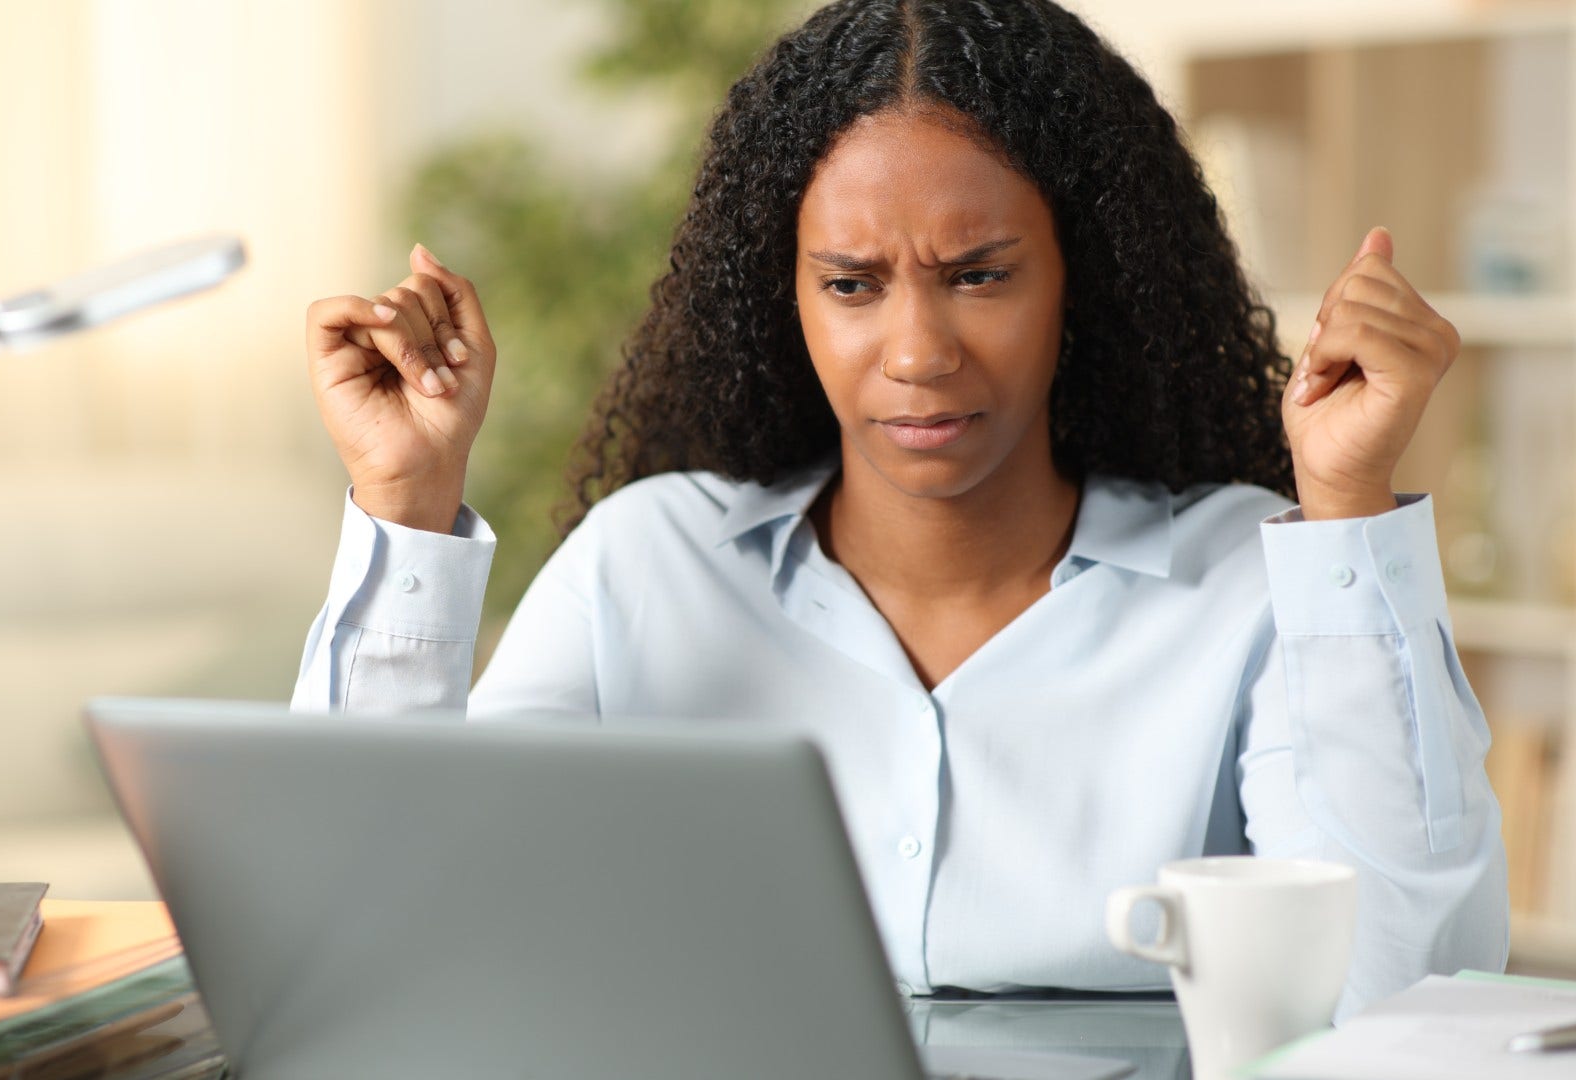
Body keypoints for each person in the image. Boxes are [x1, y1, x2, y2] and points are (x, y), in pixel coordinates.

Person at [293, 0, 1506, 1016]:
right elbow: (369, 943)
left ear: (1081, 279)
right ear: (789, 301)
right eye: (852, 285)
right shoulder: (647, 565)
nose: (917, 352)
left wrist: (1345, 506)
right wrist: (407, 501)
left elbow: (1409, 993)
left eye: (979, 275)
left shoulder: (1249, 585)